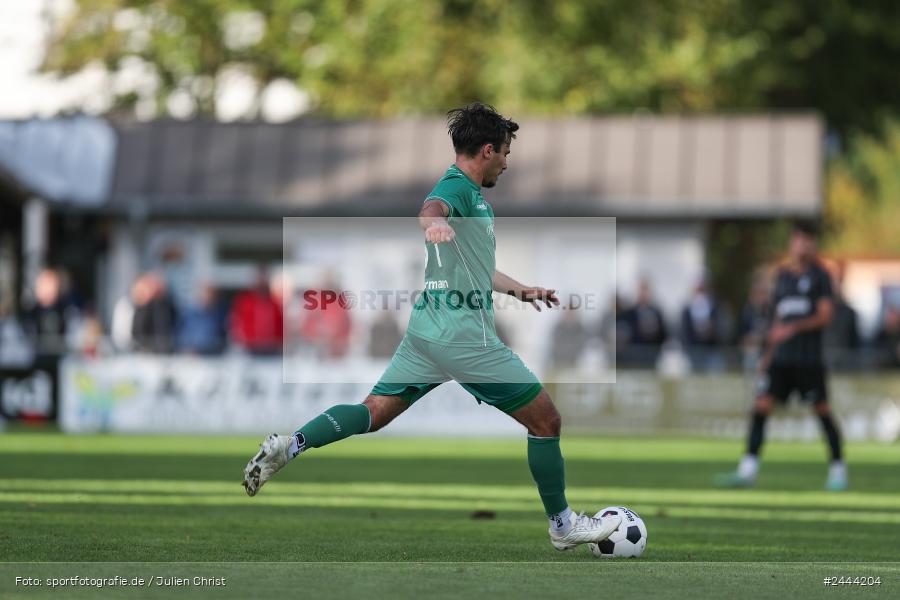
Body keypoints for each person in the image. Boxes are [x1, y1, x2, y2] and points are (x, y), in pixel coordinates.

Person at [242, 103, 621, 550]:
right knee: (546, 422)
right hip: (464, 338)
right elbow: (430, 208)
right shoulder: (458, 188)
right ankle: (563, 525)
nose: (506, 161)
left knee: (372, 413)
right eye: (504, 152)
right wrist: (435, 223)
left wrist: (521, 291)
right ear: (487, 150)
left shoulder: (475, 199)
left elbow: (477, 268)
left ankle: (292, 444)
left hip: (427, 334)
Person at [717, 221, 847, 491]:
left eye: (807, 240)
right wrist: (767, 356)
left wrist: (795, 327)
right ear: (792, 243)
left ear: (813, 244)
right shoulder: (783, 277)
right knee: (761, 407)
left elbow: (825, 316)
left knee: (821, 411)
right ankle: (747, 471)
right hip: (781, 360)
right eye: (797, 239)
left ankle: (838, 470)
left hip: (808, 359)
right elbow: (777, 323)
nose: (802, 245)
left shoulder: (821, 276)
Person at [230, 267, 284, 355]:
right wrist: (240, 341)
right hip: (250, 348)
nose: (261, 281)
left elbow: (281, 325)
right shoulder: (245, 301)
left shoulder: (276, 303)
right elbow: (235, 324)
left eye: (264, 278)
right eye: (259, 278)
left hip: (272, 348)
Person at [620, 280, 667, 367]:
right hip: (633, 355)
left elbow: (663, 333)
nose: (643, 294)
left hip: (652, 354)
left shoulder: (656, 312)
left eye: (645, 290)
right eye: (641, 290)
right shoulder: (629, 313)